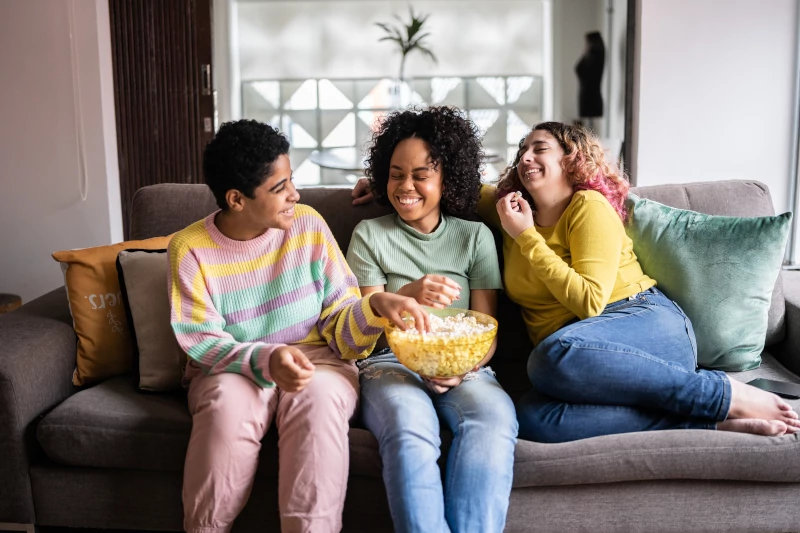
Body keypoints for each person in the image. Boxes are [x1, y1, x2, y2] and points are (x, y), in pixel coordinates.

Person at [168, 119, 428, 533]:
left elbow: (342, 331)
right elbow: (200, 341)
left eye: (292, 181)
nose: (295, 195)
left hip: (320, 364)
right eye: (279, 188)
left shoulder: (308, 225)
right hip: (233, 367)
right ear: (236, 199)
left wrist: (374, 306)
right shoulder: (190, 248)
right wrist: (268, 359)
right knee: (227, 407)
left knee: (319, 400)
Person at [487, 121, 800, 442]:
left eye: (539, 149)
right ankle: (705, 424)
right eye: (522, 151)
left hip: (643, 323)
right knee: (533, 417)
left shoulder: (586, 206)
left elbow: (589, 301)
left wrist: (527, 237)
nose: (525, 157)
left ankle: (721, 395)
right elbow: (454, 186)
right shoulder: (509, 211)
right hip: (584, 359)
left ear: (571, 158)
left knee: (547, 358)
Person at [346, 106, 518, 533]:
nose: (406, 186)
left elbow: (486, 328)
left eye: (421, 175)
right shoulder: (370, 236)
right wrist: (406, 294)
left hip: (467, 367)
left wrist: (460, 368)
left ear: (447, 179)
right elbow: (366, 328)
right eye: (396, 173)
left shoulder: (475, 236)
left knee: (494, 420)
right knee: (409, 427)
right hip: (389, 365)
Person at [575, 31, 605, 131]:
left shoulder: (595, 55)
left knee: (590, 127)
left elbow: (581, 69)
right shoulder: (593, 54)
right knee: (589, 125)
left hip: (591, 95)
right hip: (588, 93)